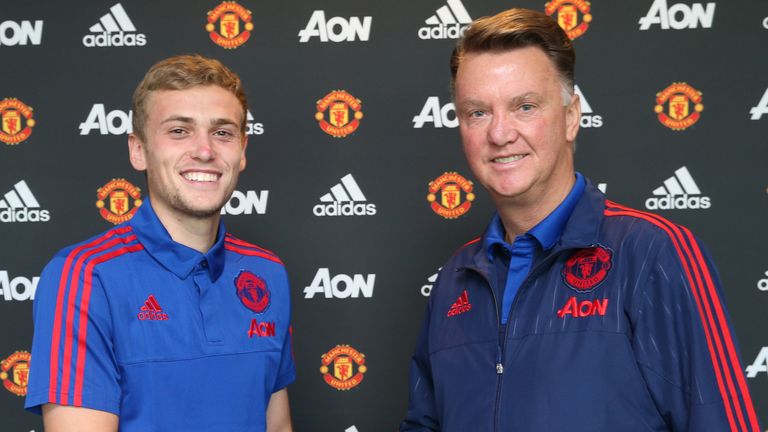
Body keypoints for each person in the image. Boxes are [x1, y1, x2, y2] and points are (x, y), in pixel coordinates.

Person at [400, 8, 761, 432]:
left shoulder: (650, 252)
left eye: (525, 107)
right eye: (477, 112)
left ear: (572, 116)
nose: (499, 133)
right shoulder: (455, 279)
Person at [25, 55, 294, 431]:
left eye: (222, 132)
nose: (204, 150)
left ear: (242, 150)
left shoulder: (268, 272)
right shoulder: (84, 276)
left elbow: (276, 425)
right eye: (179, 131)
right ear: (138, 150)